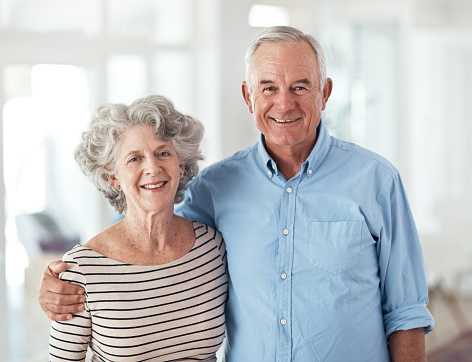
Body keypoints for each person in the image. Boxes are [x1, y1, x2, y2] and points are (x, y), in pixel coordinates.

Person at [40, 26, 434, 361]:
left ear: (325, 92)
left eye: (300, 86)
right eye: (268, 88)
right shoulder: (216, 187)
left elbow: (407, 313)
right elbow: (148, 225)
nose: (284, 103)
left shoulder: (377, 181)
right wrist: (65, 283)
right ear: (248, 96)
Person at [47, 95, 228, 361]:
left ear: (181, 165)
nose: (152, 168)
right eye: (134, 159)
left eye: (163, 153)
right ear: (113, 177)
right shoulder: (81, 268)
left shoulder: (212, 246)